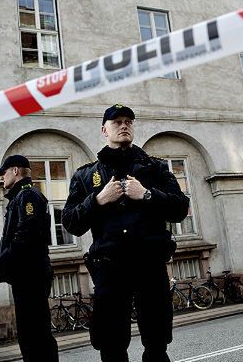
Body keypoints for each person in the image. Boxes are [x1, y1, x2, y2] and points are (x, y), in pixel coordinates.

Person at [62, 104, 189, 362]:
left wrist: (147, 194)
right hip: (110, 269)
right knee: (111, 345)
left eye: (128, 121)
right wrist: (97, 200)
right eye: (117, 121)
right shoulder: (86, 176)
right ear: (104, 130)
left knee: (156, 342)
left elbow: (180, 208)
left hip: (149, 265)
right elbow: (71, 223)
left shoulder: (156, 168)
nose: (124, 125)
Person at [0, 155, 58, 362]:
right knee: (30, 334)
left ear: (15, 171)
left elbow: (26, 233)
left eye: (3, 172)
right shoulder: (20, 196)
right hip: (26, 275)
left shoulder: (28, 195)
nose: (1, 177)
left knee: (35, 334)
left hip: (31, 275)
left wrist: (6, 257)